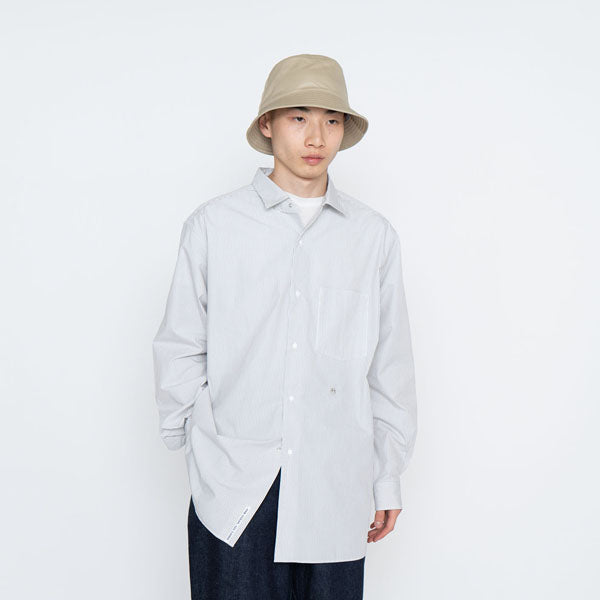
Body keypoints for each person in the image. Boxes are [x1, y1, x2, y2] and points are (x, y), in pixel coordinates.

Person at [152, 53, 418, 600]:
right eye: (299, 117)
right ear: (268, 124)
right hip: (236, 489)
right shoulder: (213, 227)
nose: (316, 136)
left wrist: (386, 475)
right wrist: (200, 446)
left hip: (334, 488)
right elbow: (180, 344)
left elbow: (389, 367)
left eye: (332, 120)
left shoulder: (373, 238)